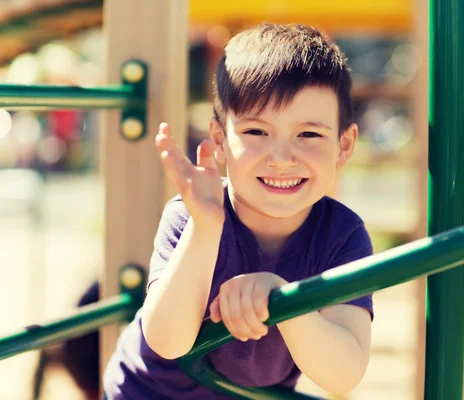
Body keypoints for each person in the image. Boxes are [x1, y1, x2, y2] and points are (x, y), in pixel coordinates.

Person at [103, 23, 374, 399]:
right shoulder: (193, 213)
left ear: (344, 146)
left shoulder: (342, 236)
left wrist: (283, 300)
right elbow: (167, 341)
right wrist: (206, 228)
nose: (281, 159)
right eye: (256, 133)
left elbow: (344, 373)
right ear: (219, 141)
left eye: (309, 134)